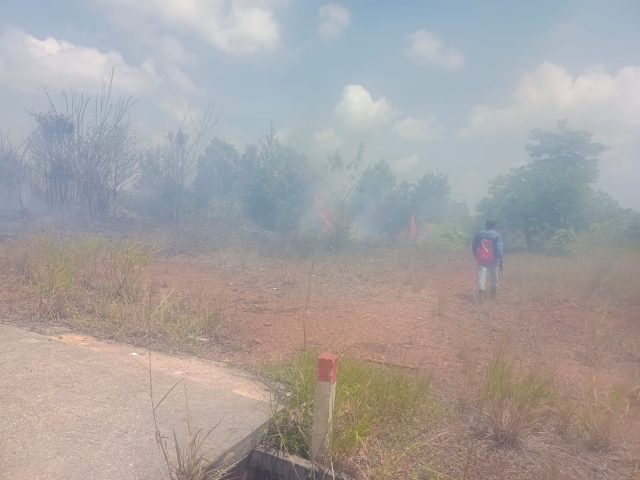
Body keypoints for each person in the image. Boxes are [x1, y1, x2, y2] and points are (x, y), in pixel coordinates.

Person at [472, 220, 503, 303]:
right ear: (494, 226)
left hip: (481, 259)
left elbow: (474, 246)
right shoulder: (496, 235)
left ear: (486, 225)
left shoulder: (479, 234)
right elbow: (499, 250)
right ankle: (492, 297)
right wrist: (501, 262)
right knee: (494, 278)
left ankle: (481, 296)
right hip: (493, 260)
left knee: (481, 277)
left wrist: (476, 255)